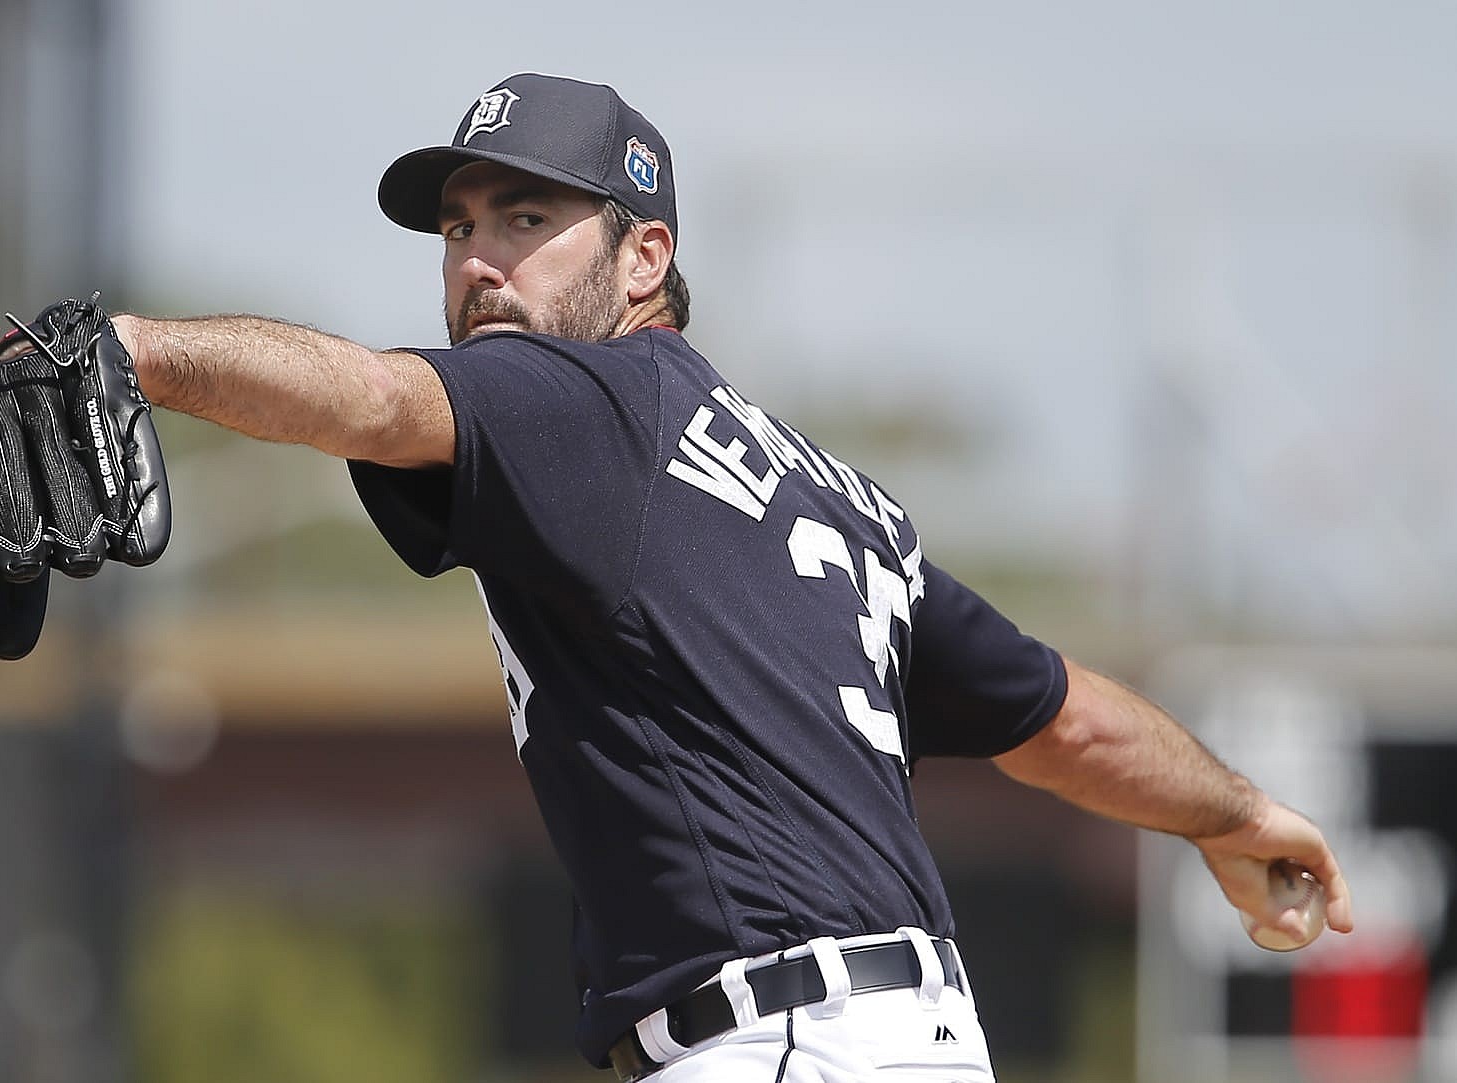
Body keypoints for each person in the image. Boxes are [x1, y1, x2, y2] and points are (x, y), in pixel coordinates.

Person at [109, 73, 1352, 1081]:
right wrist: (1234, 814)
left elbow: (376, 400)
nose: (480, 260)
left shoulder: (588, 402)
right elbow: (1065, 719)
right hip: (906, 1040)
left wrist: (134, 352)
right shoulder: (832, 498)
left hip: (780, 1040)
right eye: (459, 228)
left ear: (643, 258)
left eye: (527, 221)